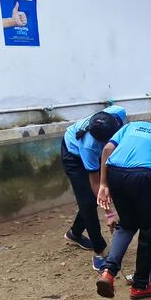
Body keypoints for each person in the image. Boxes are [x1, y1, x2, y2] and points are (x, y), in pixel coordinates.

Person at [95, 104, 151, 300]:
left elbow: (108, 149)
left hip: (115, 173)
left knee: (126, 225)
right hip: (144, 176)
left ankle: (108, 272)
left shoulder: (132, 126)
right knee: (149, 230)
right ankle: (140, 285)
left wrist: (103, 184)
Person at [61, 105, 126, 271]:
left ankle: (74, 234)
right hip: (73, 156)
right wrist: (109, 213)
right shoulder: (89, 146)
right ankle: (99, 252)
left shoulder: (117, 112)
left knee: (91, 200)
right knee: (88, 202)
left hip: (96, 153)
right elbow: (97, 184)